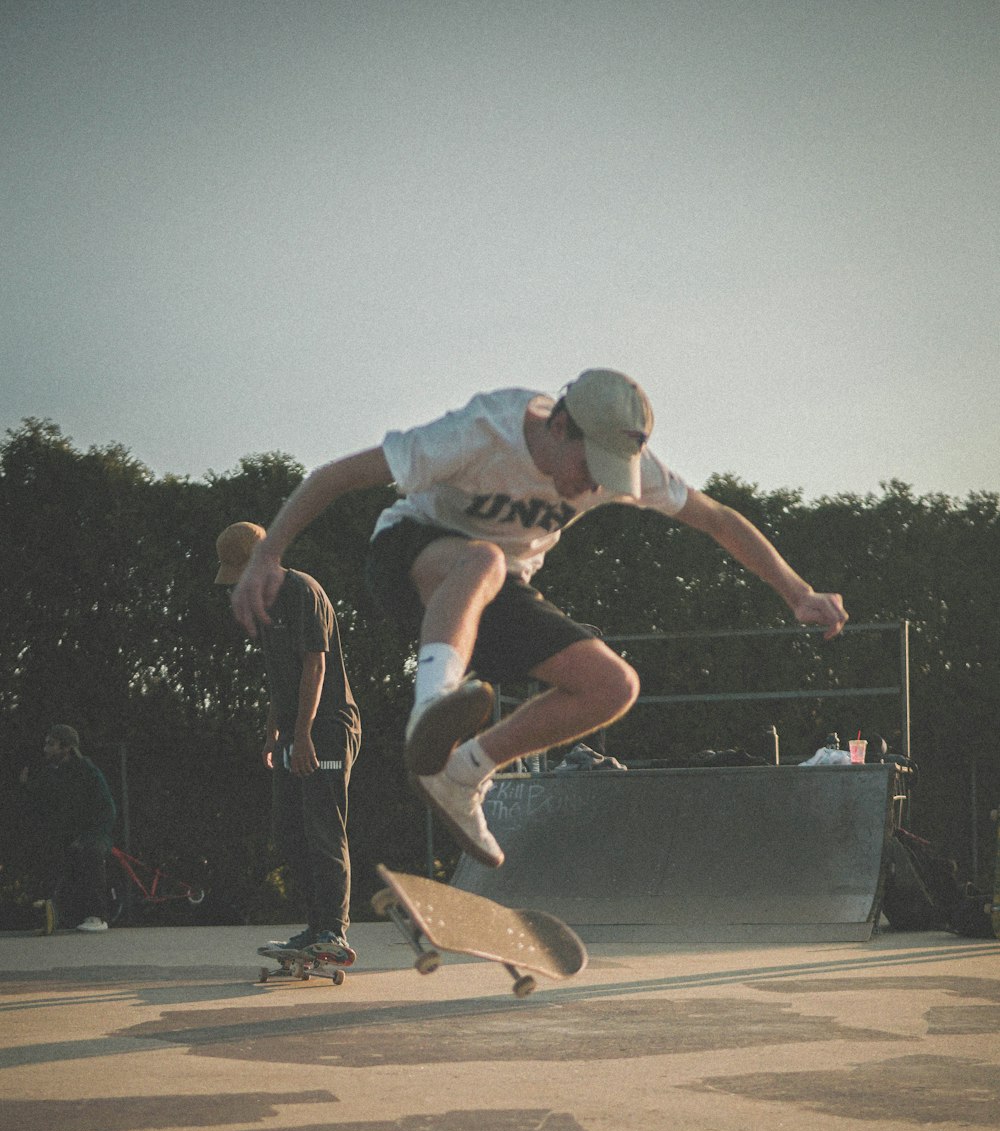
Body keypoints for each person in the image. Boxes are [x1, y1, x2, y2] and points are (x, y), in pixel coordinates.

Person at [230, 369, 848, 867]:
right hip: (409, 556)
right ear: (558, 426)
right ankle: (432, 706)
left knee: (613, 685)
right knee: (483, 558)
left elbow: (716, 518)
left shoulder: (617, 474)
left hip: (498, 591)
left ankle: (464, 772)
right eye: (587, 467)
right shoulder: (478, 431)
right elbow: (336, 476)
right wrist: (267, 555)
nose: (589, 489)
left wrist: (797, 592)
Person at [215, 522, 361, 961]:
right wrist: (272, 734)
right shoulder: (264, 605)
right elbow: (280, 678)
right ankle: (315, 928)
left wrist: (302, 737)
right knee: (289, 832)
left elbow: (313, 667)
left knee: (322, 828)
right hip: (293, 732)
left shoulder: (302, 591)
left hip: (327, 728)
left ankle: (334, 932)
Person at [19, 724, 117, 932]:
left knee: (89, 852)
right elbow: (39, 806)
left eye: (51, 744)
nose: (45, 749)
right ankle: (53, 915)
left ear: (66, 748)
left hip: (94, 833)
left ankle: (97, 916)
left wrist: (89, 836)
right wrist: (25, 787)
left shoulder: (88, 772)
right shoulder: (50, 774)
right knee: (50, 853)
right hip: (66, 835)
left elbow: (107, 809)